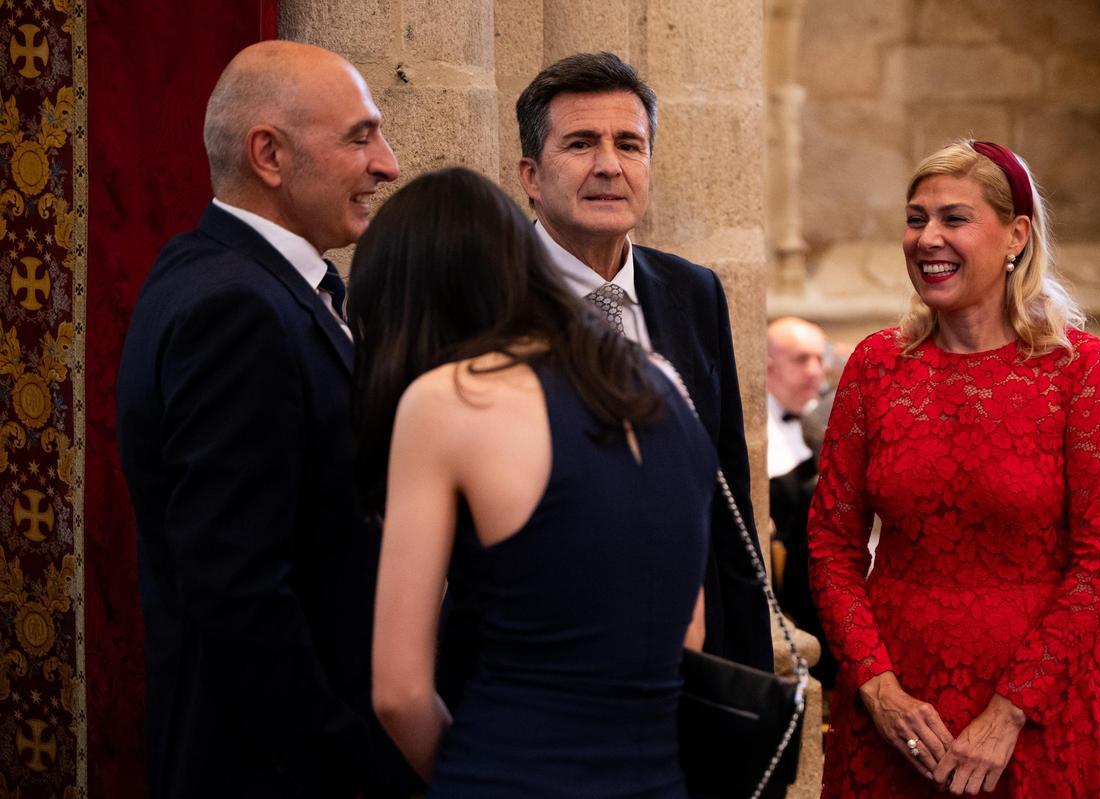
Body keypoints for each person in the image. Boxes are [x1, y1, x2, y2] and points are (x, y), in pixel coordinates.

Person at [356, 167, 715, 795]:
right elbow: (690, 632)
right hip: (653, 776)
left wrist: (477, 775)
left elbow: (399, 693)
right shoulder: (662, 380)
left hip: (504, 772)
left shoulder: (447, 399)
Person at [116, 41, 406, 798]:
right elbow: (239, 590)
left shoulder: (223, 271)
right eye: (360, 137)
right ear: (269, 155)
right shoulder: (237, 308)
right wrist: (352, 762)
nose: (387, 164)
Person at [808, 139, 1100, 797]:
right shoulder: (875, 366)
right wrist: (876, 685)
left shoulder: (1079, 370)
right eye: (915, 219)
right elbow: (831, 545)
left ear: (1017, 234)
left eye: (953, 218)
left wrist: (1010, 710)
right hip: (897, 710)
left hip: (1039, 709)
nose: (927, 237)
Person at [505, 51, 771, 674]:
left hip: (687, 669)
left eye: (629, 145)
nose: (609, 165)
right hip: (545, 663)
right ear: (531, 176)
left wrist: (749, 672)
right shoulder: (486, 297)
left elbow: (728, 498)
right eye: (580, 144)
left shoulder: (694, 292)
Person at [765, 316, 837, 686]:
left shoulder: (819, 417)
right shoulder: (754, 429)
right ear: (767, 367)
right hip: (792, 589)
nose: (814, 371)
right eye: (800, 359)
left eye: (819, 359)